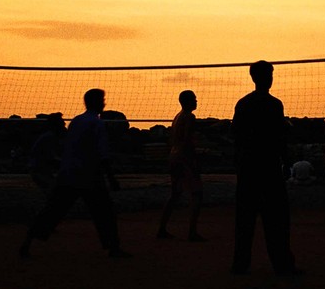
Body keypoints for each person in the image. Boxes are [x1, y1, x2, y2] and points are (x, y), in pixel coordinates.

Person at [19, 89, 131, 259]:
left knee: (53, 210)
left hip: (69, 173)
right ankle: (113, 248)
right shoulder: (97, 124)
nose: (104, 103)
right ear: (96, 102)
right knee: (105, 213)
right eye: (102, 100)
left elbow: (69, 147)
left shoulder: (77, 121)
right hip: (89, 175)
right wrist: (111, 177)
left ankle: (27, 243)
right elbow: (103, 154)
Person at [230, 60, 300, 275]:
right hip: (268, 167)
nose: (271, 78)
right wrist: (286, 161)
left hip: (249, 166)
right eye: (270, 74)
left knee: (245, 219)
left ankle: (240, 264)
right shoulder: (274, 104)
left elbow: (235, 135)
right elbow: (280, 138)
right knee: (276, 219)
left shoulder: (243, 103)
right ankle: (282, 264)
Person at [157, 90, 207, 242]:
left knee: (175, 194)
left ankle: (162, 228)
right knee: (197, 194)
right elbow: (187, 140)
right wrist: (194, 161)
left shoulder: (177, 117)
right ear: (188, 101)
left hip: (174, 156)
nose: (197, 101)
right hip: (184, 158)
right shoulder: (189, 117)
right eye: (194, 99)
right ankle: (192, 231)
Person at [28, 113, 65, 189]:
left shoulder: (50, 136)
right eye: (61, 121)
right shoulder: (49, 137)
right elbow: (51, 157)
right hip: (39, 170)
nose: (64, 123)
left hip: (42, 170)